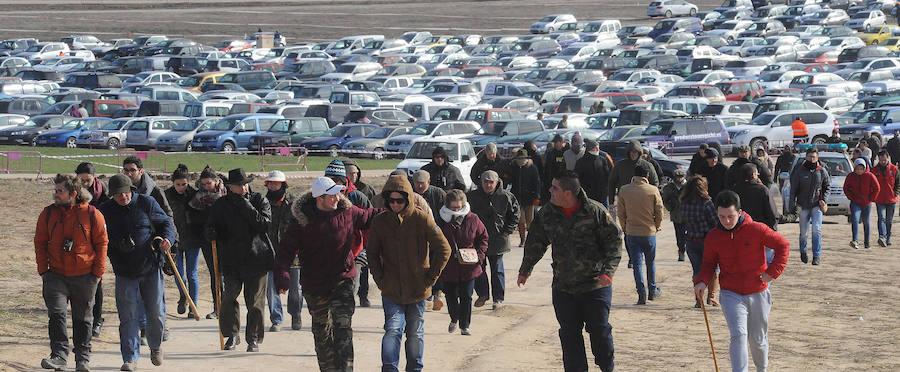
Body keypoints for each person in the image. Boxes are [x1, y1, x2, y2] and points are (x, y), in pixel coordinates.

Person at [275, 177, 383, 372]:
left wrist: (397, 209)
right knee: (322, 332)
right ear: (320, 198)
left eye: (338, 193)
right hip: (315, 284)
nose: (338, 197)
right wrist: (282, 275)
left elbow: (370, 216)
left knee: (343, 327)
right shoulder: (302, 220)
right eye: (332, 195)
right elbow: (286, 249)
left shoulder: (347, 211)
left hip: (342, 279)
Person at [517, 170, 621, 372]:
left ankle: (607, 367)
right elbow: (536, 241)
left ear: (568, 193)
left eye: (554, 188)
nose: (550, 191)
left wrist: (608, 272)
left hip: (595, 286)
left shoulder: (595, 211)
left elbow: (614, 242)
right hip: (563, 287)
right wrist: (526, 269)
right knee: (569, 334)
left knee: (599, 331)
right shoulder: (547, 213)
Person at [693, 191, 789, 372]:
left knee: (758, 339)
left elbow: (783, 245)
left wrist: (772, 272)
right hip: (731, 293)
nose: (726, 221)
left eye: (730, 216)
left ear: (739, 212)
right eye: (722, 217)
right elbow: (708, 263)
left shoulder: (757, 229)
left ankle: (762, 368)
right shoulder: (714, 236)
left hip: (758, 291)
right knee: (738, 335)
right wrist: (702, 281)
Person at [368, 175, 451, 371]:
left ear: (408, 199)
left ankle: (414, 368)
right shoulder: (380, 221)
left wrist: (431, 278)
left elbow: (444, 249)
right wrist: (379, 279)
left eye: (400, 200)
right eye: (391, 200)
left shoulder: (422, 219)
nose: (395, 204)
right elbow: (372, 253)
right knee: (393, 329)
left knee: (415, 332)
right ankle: (389, 368)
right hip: (391, 289)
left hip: (418, 289)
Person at [99, 174, 175, 371]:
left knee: (155, 311)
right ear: (112, 195)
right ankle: (130, 358)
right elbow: (98, 236)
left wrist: (167, 239)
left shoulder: (146, 203)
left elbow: (166, 223)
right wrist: (114, 247)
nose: (123, 197)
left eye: (125, 193)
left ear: (131, 190)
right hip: (124, 271)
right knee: (128, 316)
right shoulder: (105, 210)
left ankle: (155, 346)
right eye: (118, 195)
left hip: (150, 267)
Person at [35, 174, 108, 372]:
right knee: (56, 314)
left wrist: (97, 274)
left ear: (73, 194)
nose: (55, 194)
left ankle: (82, 359)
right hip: (55, 275)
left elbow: (102, 244)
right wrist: (43, 270)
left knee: (82, 319)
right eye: (55, 190)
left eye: (60, 191)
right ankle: (58, 356)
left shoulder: (92, 214)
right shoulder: (48, 214)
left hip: (85, 277)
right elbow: (40, 242)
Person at [205, 169, 273, 353]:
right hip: (231, 259)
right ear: (230, 187)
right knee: (228, 298)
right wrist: (211, 232)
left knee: (255, 302)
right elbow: (211, 225)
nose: (242, 188)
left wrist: (246, 205)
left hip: (257, 258)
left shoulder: (259, 200)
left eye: (244, 184)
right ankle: (232, 334)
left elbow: (264, 224)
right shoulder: (221, 205)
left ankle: (253, 338)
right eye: (238, 185)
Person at [437, 189, 489, 336]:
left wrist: (479, 255)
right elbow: (434, 240)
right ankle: (454, 318)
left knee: (467, 296)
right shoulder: (441, 219)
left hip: (469, 266)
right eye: (453, 208)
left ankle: (465, 326)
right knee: (451, 295)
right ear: (447, 206)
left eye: (459, 207)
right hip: (448, 266)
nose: (456, 210)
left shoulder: (473, 218)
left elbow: (483, 237)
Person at [468, 170, 520, 310]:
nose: (488, 185)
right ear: (481, 182)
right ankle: (483, 294)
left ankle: (498, 298)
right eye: (485, 182)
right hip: (478, 239)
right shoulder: (472, 196)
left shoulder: (505, 196)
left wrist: (508, 230)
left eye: (491, 182)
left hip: (498, 239)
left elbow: (515, 213)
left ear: (496, 183)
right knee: (478, 268)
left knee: (497, 269)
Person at [616, 164, 663, 305]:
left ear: (634, 175)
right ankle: (652, 290)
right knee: (650, 262)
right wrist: (657, 226)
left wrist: (624, 227)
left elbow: (620, 212)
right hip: (649, 232)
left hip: (632, 232)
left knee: (636, 264)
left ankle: (641, 293)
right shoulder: (653, 190)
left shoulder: (624, 190)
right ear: (647, 176)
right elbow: (659, 211)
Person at [263, 170, 302, 331]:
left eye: (276, 183)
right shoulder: (262, 202)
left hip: (293, 252)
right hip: (270, 251)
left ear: (283, 184)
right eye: (271, 183)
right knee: (271, 288)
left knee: (295, 289)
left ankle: (296, 314)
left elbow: (303, 225)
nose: (273, 186)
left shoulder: (295, 203)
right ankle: (276, 319)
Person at [187, 166, 227, 319]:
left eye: (208, 183)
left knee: (226, 274)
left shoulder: (226, 194)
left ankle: (228, 306)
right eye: (203, 184)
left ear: (216, 181)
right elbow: (193, 217)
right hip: (207, 239)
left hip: (226, 240)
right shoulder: (198, 197)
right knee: (215, 274)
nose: (206, 187)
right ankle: (217, 307)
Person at [74, 162, 109, 338]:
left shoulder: (104, 192)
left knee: (97, 280)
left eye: (87, 180)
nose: (84, 184)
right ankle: (83, 320)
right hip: (80, 241)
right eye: (81, 180)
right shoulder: (73, 192)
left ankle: (97, 319)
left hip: (100, 239)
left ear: (94, 178)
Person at [164, 164, 202, 319]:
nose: (181, 187)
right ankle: (183, 296)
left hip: (193, 239)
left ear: (188, 182)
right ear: (173, 183)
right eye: (178, 184)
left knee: (192, 274)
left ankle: (193, 306)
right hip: (174, 240)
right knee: (178, 273)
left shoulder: (195, 195)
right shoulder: (166, 195)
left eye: (184, 184)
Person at [680, 175, 720, 308]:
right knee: (713, 269)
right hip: (707, 241)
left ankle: (699, 300)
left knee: (697, 271)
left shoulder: (684, 203)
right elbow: (715, 222)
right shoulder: (707, 203)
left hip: (691, 240)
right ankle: (711, 297)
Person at [789, 147, 830, 265]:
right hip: (802, 205)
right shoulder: (799, 171)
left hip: (816, 205)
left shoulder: (821, 171)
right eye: (809, 157)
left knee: (817, 230)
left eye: (814, 157)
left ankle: (816, 256)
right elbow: (793, 190)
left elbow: (827, 186)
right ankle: (803, 251)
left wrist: (824, 200)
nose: (812, 159)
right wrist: (792, 206)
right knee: (804, 232)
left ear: (817, 158)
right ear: (806, 157)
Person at [506, 149, 541, 247]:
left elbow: (537, 182)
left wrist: (537, 196)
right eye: (519, 158)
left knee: (530, 221)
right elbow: (509, 179)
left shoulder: (532, 168)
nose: (521, 160)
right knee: (520, 221)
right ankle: (523, 240)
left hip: (529, 198)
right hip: (517, 198)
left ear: (527, 159)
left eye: (523, 158)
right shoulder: (513, 168)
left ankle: (531, 239)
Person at [608, 140, 658, 208]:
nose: (633, 154)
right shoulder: (620, 165)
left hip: (643, 200)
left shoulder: (647, 166)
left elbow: (655, 183)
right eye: (631, 152)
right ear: (628, 152)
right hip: (625, 200)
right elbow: (611, 183)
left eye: (635, 152)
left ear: (639, 152)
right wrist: (611, 201)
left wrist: (653, 200)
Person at [844, 158, 879, 250]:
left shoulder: (870, 176)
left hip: (867, 203)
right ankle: (855, 240)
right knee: (855, 220)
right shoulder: (851, 176)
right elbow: (846, 188)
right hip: (855, 202)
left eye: (861, 169)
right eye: (857, 169)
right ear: (854, 168)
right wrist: (851, 197)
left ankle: (867, 242)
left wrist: (871, 199)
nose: (859, 171)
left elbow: (877, 188)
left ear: (864, 168)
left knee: (866, 222)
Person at [732, 164, 779, 230]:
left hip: (740, 228)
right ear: (753, 175)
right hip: (760, 228)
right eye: (757, 174)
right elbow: (772, 213)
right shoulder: (762, 190)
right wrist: (772, 228)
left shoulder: (734, 190)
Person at [872, 151, 900, 246]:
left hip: (891, 199)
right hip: (879, 199)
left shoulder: (894, 169)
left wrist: (895, 193)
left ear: (888, 158)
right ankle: (882, 237)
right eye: (881, 160)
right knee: (881, 218)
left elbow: (898, 183)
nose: (883, 162)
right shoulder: (874, 170)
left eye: (884, 160)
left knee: (889, 220)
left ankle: (888, 237)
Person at [574, 139, 613, 206]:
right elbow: (577, 179)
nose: (598, 150)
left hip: (601, 195)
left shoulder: (602, 160)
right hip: (588, 196)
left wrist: (606, 190)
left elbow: (608, 176)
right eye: (596, 148)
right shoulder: (581, 162)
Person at [661, 169, 687, 261]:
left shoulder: (689, 186)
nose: (679, 179)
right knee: (679, 235)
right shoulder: (669, 187)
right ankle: (681, 252)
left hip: (688, 214)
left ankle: (689, 251)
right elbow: (665, 200)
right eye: (677, 177)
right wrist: (670, 208)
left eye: (681, 177)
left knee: (690, 235)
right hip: (676, 215)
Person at [542, 134, 570, 202]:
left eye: (557, 142)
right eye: (554, 142)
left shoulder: (568, 152)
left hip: (564, 182)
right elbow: (547, 169)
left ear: (562, 142)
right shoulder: (551, 153)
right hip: (553, 182)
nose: (555, 144)